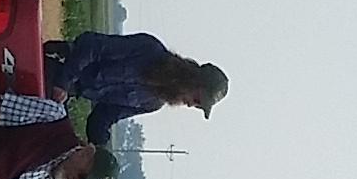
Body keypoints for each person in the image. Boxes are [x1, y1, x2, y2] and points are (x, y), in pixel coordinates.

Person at [46, 28, 227, 135]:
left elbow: (106, 114)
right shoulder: (149, 49)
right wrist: (64, 81)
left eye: (197, 106)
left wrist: (97, 148)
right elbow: (91, 47)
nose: (191, 105)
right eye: (197, 100)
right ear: (193, 79)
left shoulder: (153, 103)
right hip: (62, 63)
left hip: (68, 93)